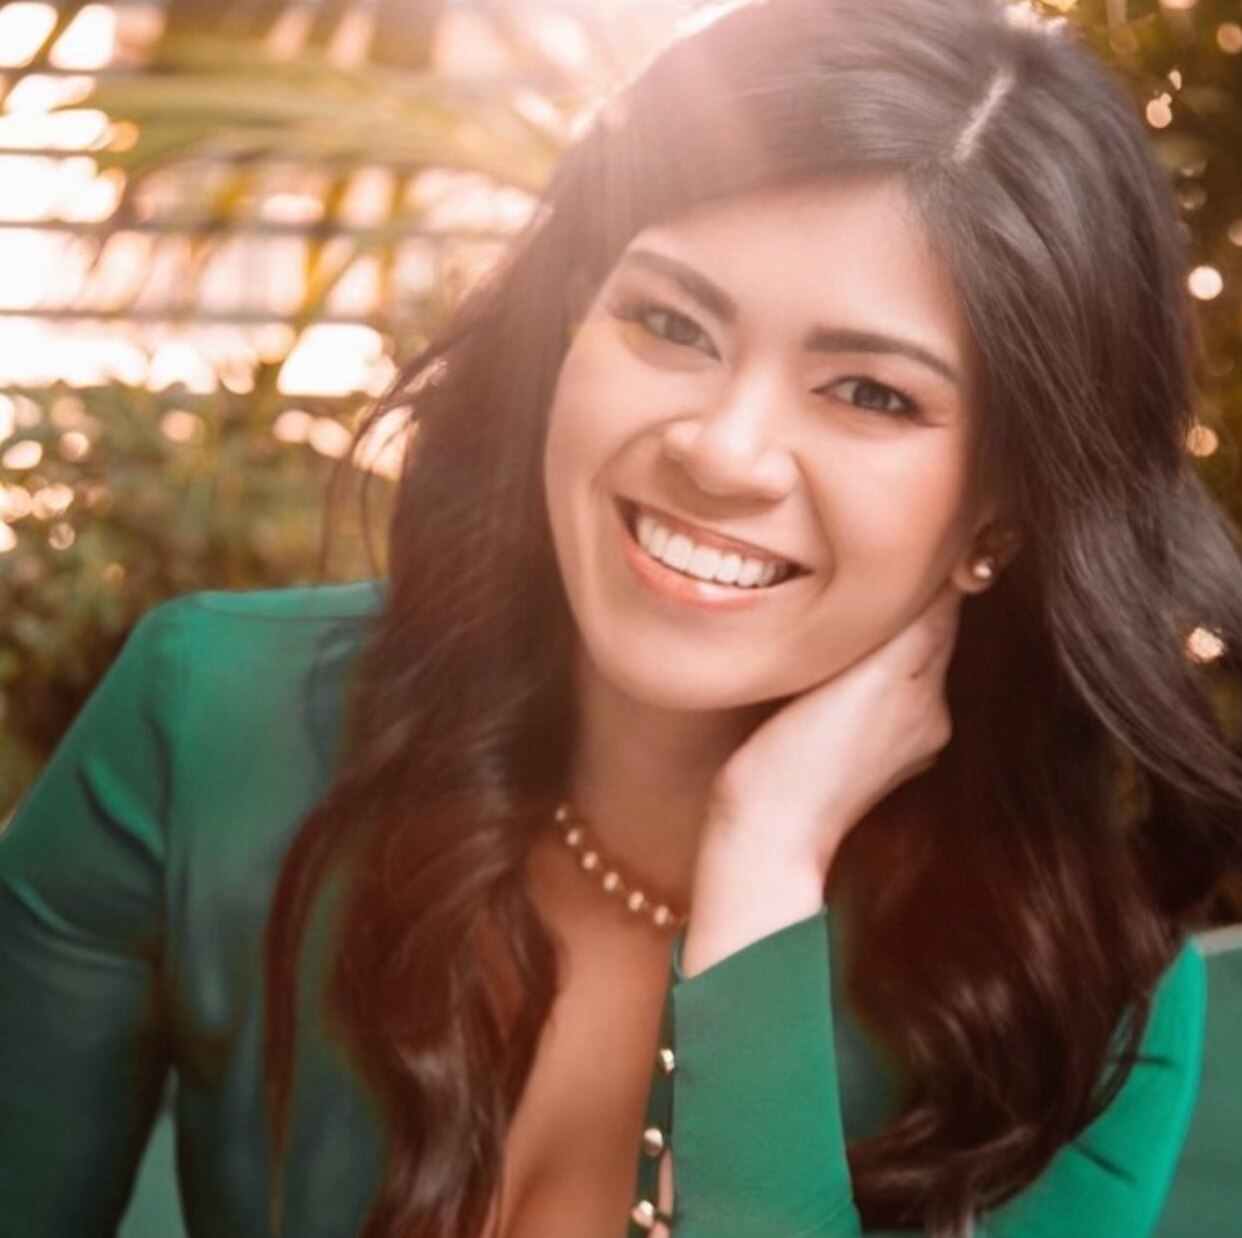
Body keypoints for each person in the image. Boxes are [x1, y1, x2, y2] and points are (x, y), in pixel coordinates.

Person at [2, 0, 1241, 1234]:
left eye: (870, 391)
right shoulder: (210, 720)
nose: (723, 449)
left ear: (1003, 517)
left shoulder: (1086, 993)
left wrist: (763, 860)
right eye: (669, 322)